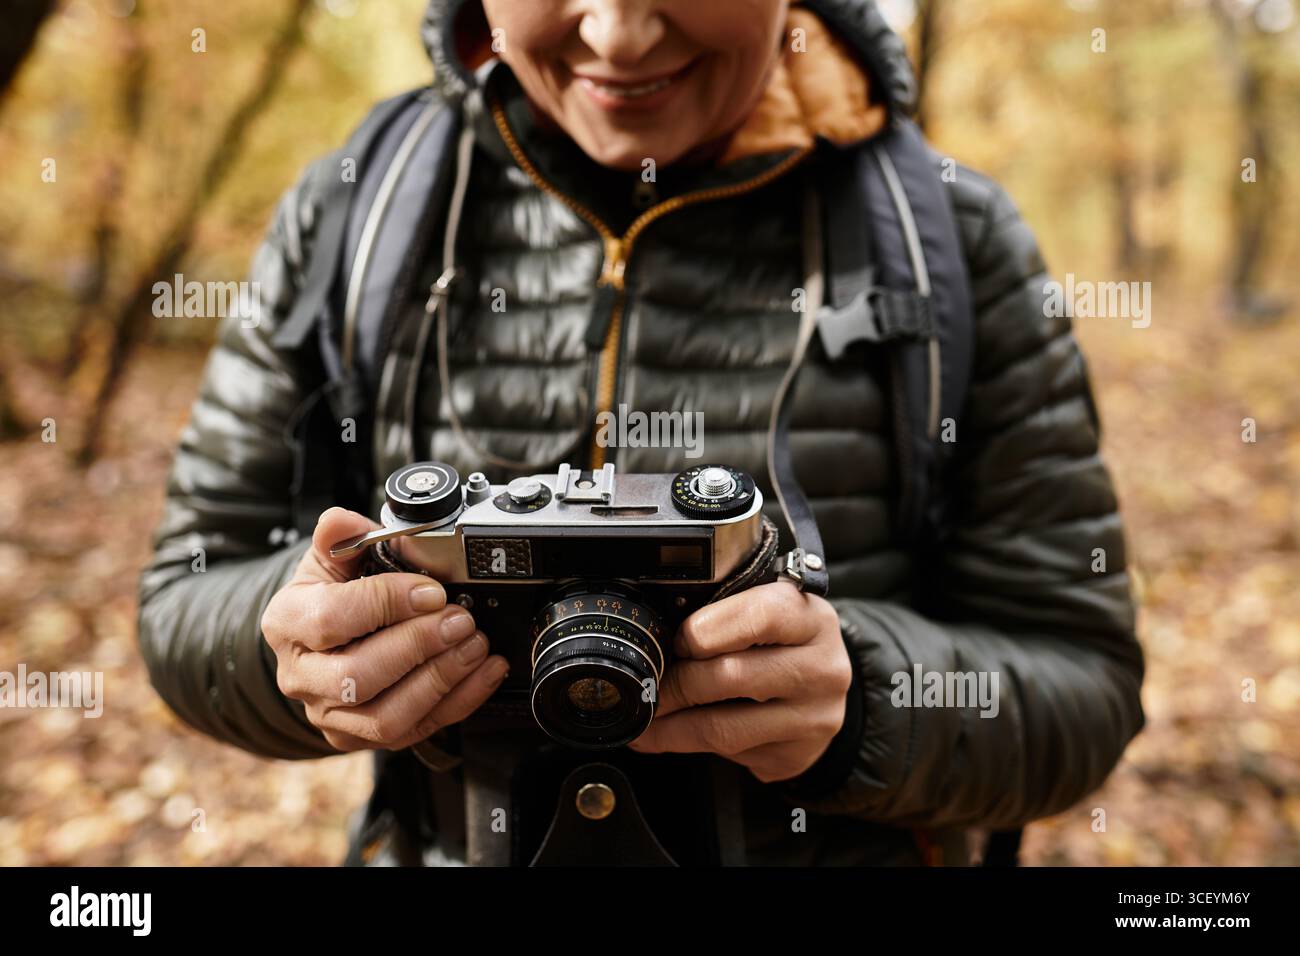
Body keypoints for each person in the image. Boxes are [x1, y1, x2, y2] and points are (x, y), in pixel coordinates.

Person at [138, 0, 1145, 866]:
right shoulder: (359, 210)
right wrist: (300, 640)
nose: (618, 35)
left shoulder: (945, 238)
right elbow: (184, 597)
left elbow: (1083, 685)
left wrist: (863, 705)